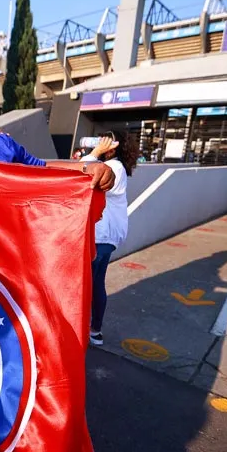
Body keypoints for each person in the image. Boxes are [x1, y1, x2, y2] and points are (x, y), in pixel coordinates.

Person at [79, 132, 138, 346]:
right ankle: (95, 331)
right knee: (96, 284)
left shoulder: (113, 168)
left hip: (101, 237)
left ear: (111, 148)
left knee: (86, 286)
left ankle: (88, 331)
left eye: (103, 142)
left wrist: (95, 153)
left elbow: (82, 176)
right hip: (105, 238)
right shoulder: (117, 167)